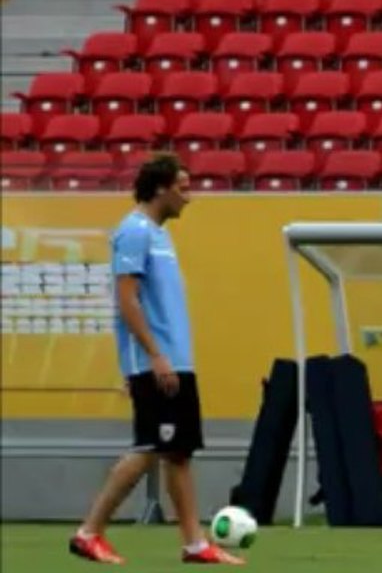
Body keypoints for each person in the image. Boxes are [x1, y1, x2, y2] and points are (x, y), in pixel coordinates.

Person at [69, 155, 243, 565]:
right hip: (157, 362)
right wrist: (155, 355)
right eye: (183, 187)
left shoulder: (159, 235)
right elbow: (126, 299)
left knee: (178, 451)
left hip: (175, 361)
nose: (190, 197)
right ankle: (88, 533)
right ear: (161, 188)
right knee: (149, 447)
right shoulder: (133, 233)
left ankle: (195, 544)